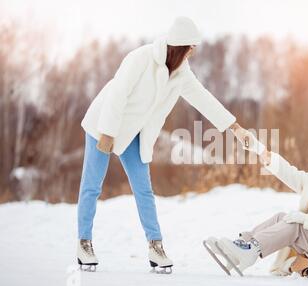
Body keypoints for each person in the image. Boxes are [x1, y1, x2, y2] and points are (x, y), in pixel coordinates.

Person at [76, 17, 249, 272]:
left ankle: (155, 246)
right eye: (192, 47)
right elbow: (117, 93)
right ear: (181, 46)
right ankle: (84, 242)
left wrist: (233, 126)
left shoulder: (182, 72)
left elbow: (203, 99)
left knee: (144, 190)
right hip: (104, 125)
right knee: (92, 185)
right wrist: (108, 133)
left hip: (134, 133)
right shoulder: (141, 58)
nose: (193, 51)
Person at [206, 138, 308, 276]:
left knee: (295, 224)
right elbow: (290, 173)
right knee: (281, 217)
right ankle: (241, 246)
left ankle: (250, 250)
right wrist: (266, 155)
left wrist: (304, 219)